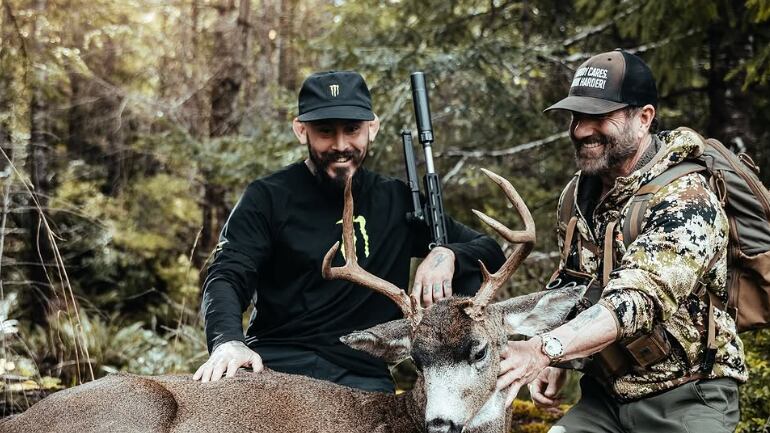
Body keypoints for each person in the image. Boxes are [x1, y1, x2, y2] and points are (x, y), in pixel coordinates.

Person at [193, 70, 505, 393]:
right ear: (301, 131)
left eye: (352, 129)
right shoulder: (267, 197)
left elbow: (490, 250)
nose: (340, 145)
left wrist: (448, 253)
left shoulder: (398, 201)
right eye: (325, 131)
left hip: (363, 376)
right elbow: (227, 275)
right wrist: (227, 340)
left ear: (373, 127)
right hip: (278, 364)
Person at [496, 49, 747, 432]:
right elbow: (574, 282)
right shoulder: (577, 196)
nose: (581, 130)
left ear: (643, 118)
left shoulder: (687, 199)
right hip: (605, 398)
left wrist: (543, 350)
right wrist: (557, 358)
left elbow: (635, 301)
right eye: (577, 116)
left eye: (598, 116)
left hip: (688, 396)